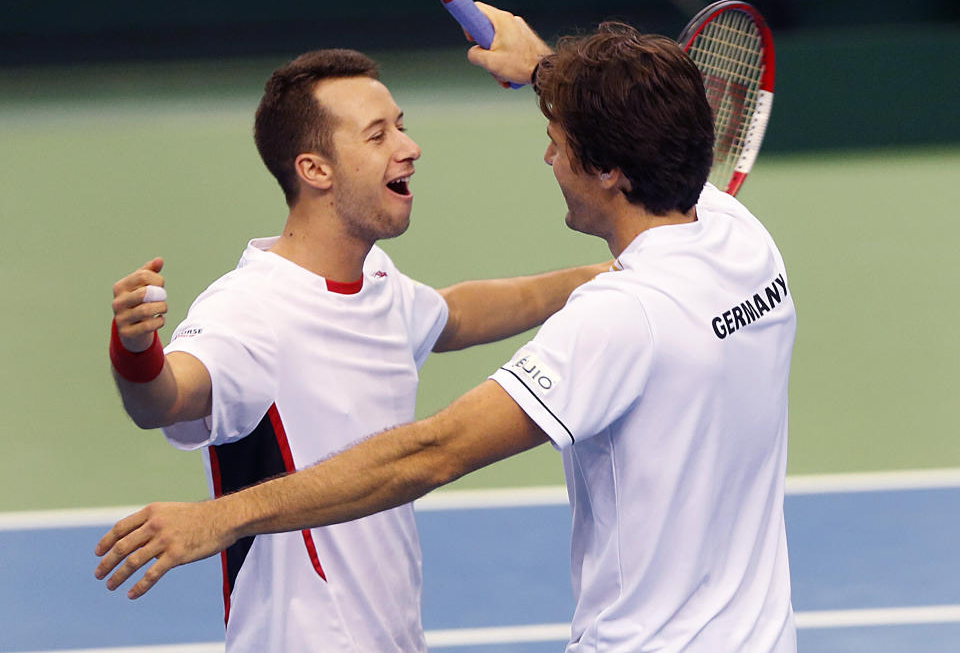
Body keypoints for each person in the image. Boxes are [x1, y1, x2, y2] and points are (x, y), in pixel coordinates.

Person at [98, 4, 798, 652]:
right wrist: (544, 70)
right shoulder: (740, 238)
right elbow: (169, 395)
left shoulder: (619, 320)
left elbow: (431, 451)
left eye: (556, 142)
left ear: (611, 169)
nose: (549, 158)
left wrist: (218, 518)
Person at [104, 46, 609, 653]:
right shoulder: (249, 311)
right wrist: (135, 349)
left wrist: (599, 276)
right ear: (316, 170)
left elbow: (455, 313)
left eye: (401, 124)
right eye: (378, 135)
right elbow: (166, 400)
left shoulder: (378, 283)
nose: (409, 146)